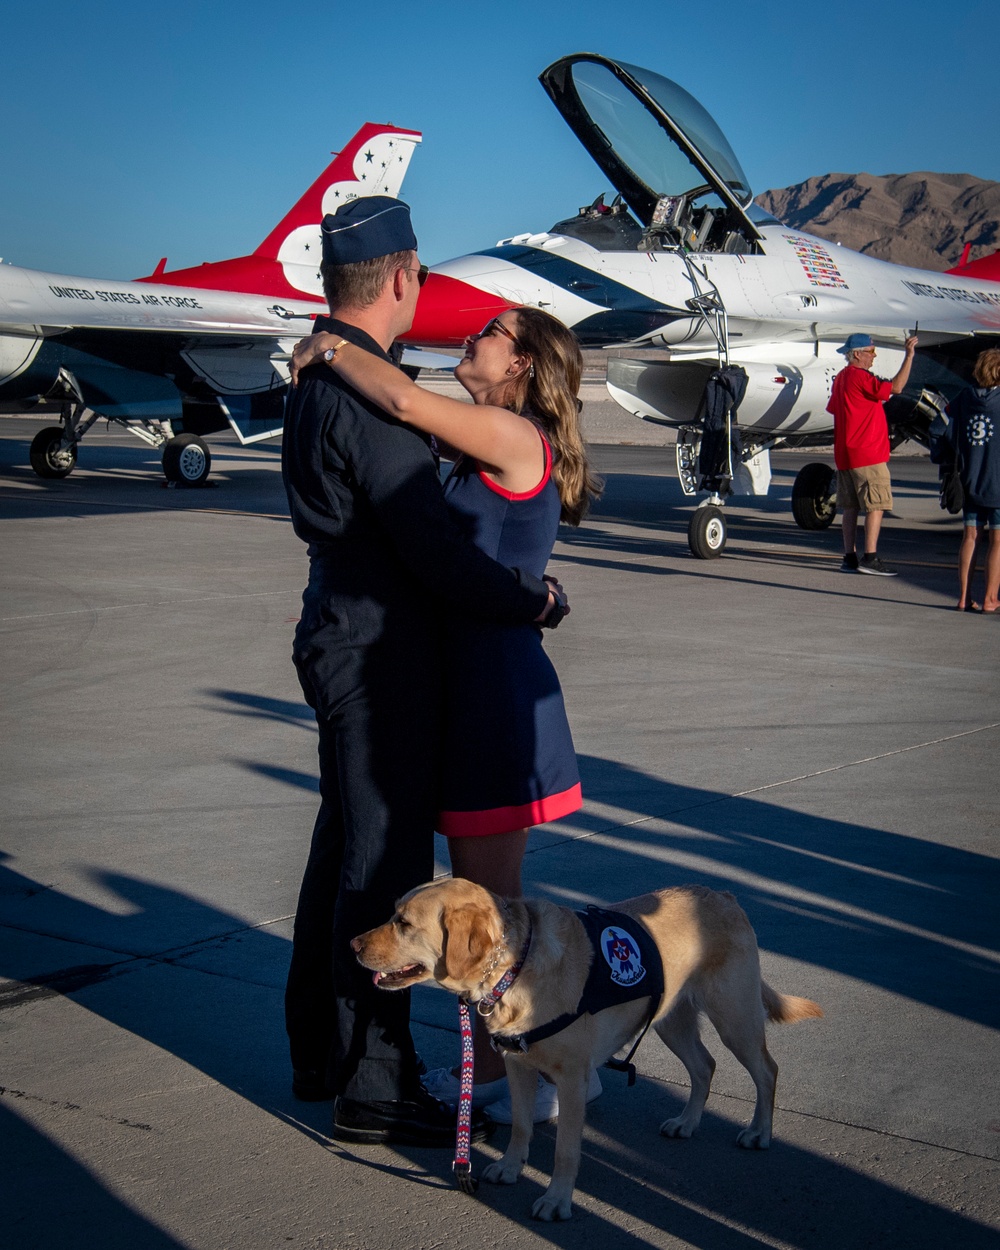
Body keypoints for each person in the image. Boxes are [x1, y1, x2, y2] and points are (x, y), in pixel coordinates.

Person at [281, 196, 567, 1148]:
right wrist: (533, 600)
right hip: (376, 652)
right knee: (379, 865)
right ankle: (371, 1082)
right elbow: (439, 555)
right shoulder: (362, 390)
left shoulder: (335, 377)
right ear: (402, 276)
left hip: (355, 640)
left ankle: (324, 1053)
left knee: (344, 854)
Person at [827, 332, 918, 576]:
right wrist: (909, 356)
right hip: (867, 454)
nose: (873, 357)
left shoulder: (841, 378)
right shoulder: (859, 376)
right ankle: (870, 556)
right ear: (857, 354)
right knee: (876, 505)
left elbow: (834, 409)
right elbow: (896, 387)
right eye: (870, 352)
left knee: (850, 507)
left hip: (846, 454)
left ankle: (849, 557)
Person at [946, 348, 1000, 613]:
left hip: (969, 480)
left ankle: (964, 597)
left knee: (970, 537)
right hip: (998, 483)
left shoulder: (963, 398)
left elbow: (939, 428)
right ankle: (991, 598)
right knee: (998, 542)